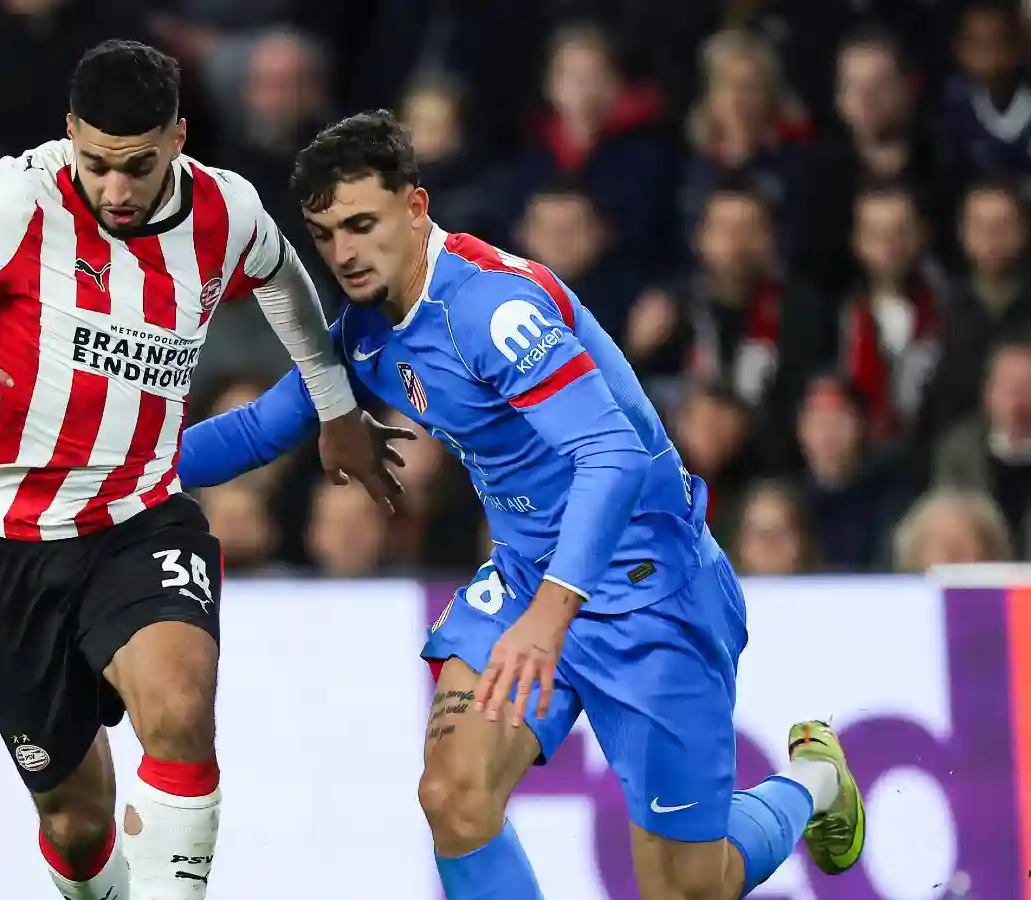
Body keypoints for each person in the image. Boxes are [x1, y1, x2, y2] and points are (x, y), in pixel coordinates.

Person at [176, 110, 866, 900]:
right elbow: (266, 424)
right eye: (326, 234)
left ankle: (811, 780)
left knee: (689, 886)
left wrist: (550, 616)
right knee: (453, 797)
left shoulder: (492, 312)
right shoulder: (370, 327)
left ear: (415, 207)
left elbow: (612, 457)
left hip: (648, 589)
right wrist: (108, 469)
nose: (343, 253)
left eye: (362, 225)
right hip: (525, 577)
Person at [0, 39, 393, 900]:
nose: (116, 190)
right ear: (69, 136)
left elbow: (286, 284)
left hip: (139, 515)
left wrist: (335, 404)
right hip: (6, 543)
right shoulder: (13, 197)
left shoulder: (226, 210)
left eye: (137, 167)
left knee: (178, 706)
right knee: (75, 816)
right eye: (97, 165)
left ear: (178, 136)